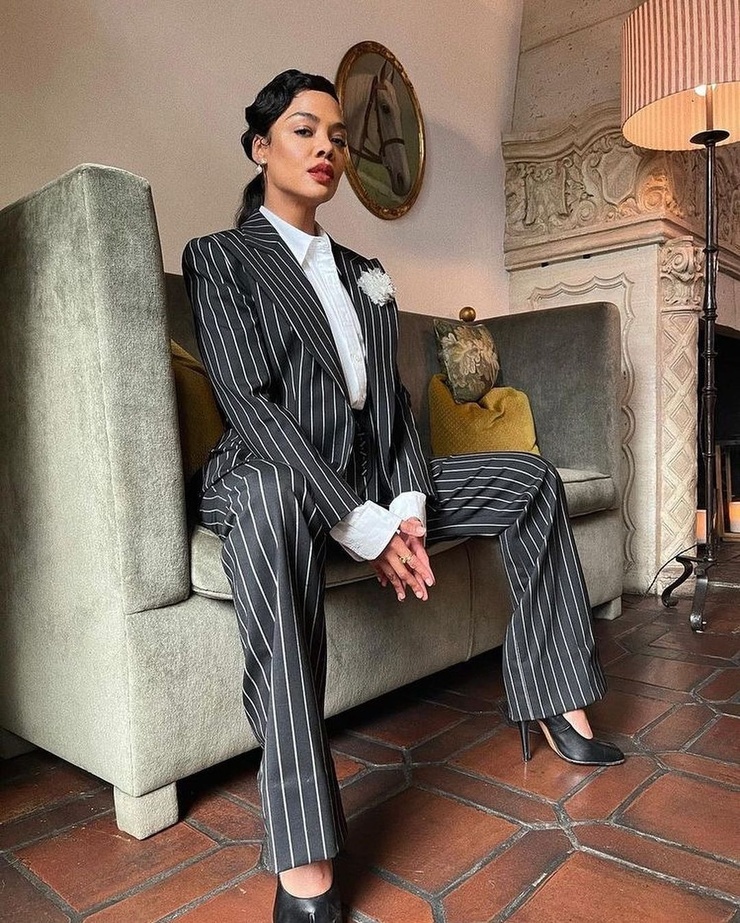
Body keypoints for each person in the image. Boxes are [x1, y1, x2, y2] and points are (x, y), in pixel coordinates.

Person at [182, 69, 623, 923]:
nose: (327, 148)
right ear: (260, 146)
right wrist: (362, 523)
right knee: (273, 500)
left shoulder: (365, 272)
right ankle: (303, 848)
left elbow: (391, 400)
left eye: (338, 137)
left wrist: (409, 506)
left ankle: (558, 696)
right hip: (270, 469)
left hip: (372, 475)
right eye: (304, 130)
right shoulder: (221, 257)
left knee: (528, 477)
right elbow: (249, 403)